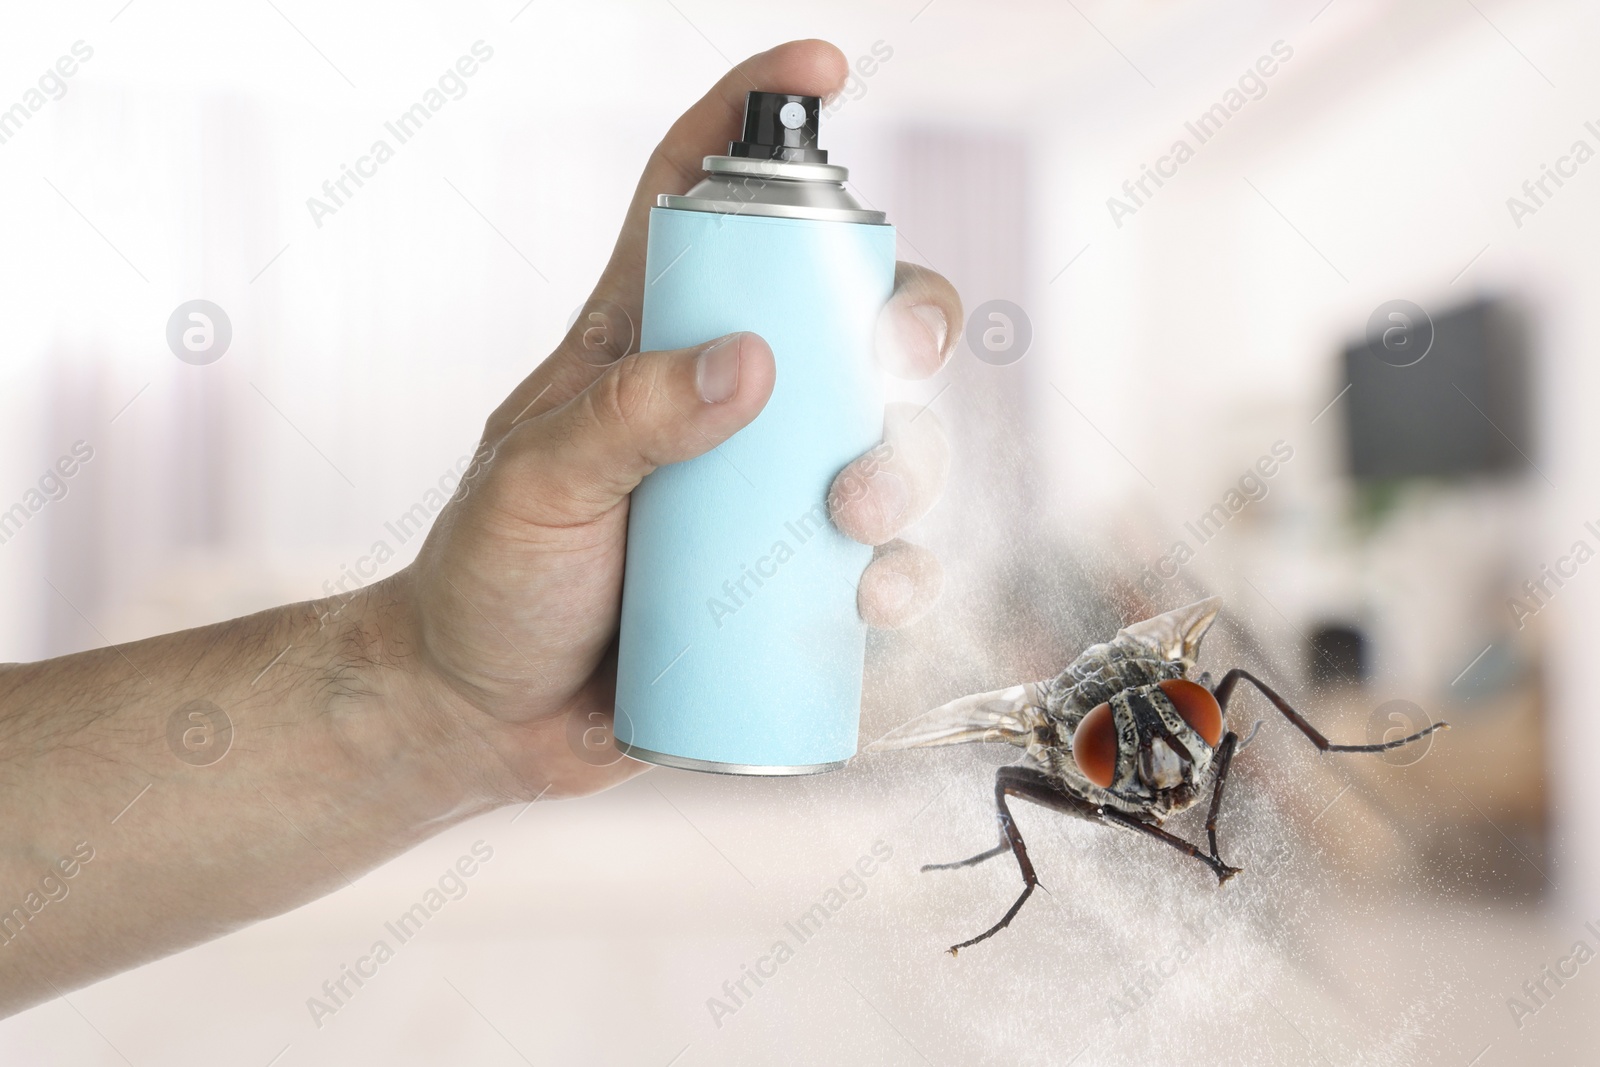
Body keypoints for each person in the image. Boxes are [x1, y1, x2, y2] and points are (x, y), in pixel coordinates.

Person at [0, 39, 958, 1017]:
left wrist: (435, 686)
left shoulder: (808, 250)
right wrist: (433, 690)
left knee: (868, 489)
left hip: (600, 686)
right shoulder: (730, 236)